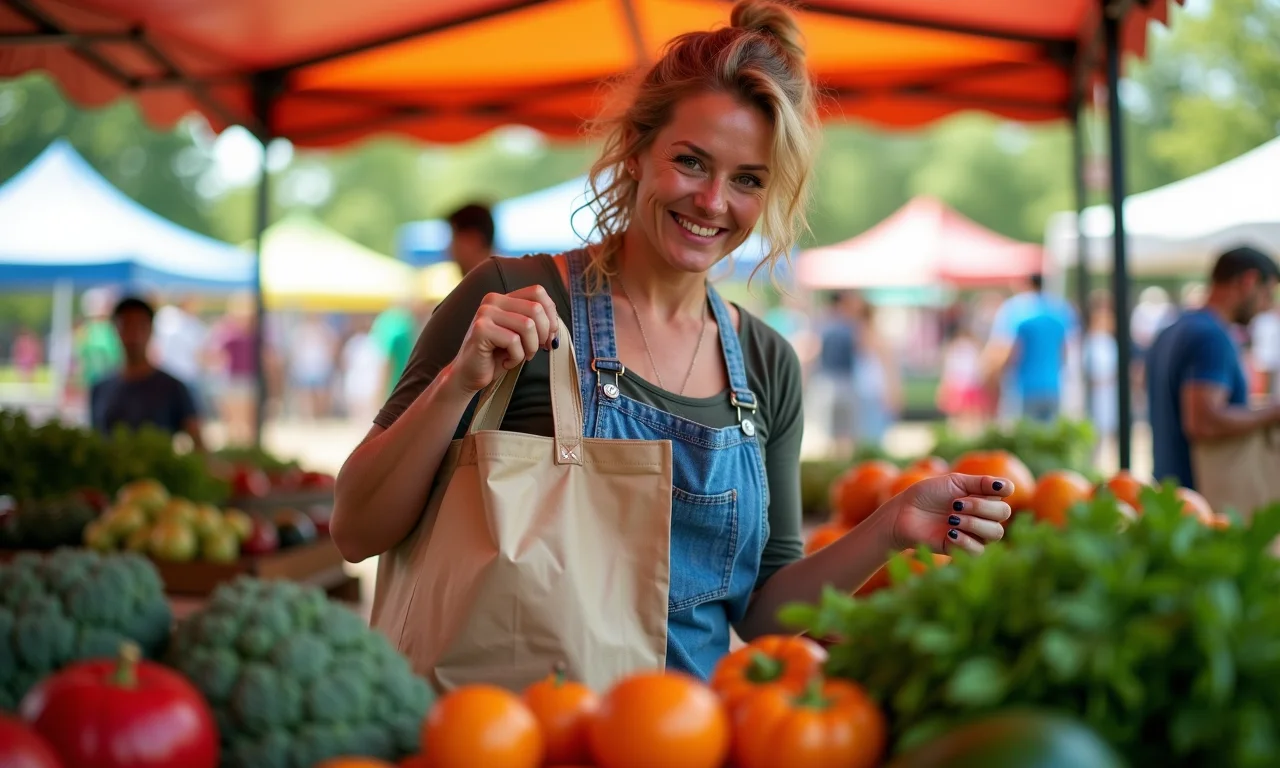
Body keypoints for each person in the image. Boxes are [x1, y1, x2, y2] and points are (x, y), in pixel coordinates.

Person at [331, 0, 1012, 681]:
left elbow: (763, 613)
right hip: (501, 738)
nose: (713, 202)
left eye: (747, 180)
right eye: (691, 163)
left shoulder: (767, 364)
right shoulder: (513, 297)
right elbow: (355, 529)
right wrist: (460, 384)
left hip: (678, 737)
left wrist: (889, 530)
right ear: (637, 151)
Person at [1146, 246, 1280, 490]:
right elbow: (1204, 421)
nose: (1266, 306)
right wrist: (1273, 412)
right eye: (1267, 294)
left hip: (1171, 491)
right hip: (1201, 499)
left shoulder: (1173, 329)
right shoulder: (1212, 336)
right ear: (1248, 281)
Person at [90, 296, 204, 450]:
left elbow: (198, 443)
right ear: (116, 330)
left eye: (140, 326)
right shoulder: (100, 389)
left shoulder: (173, 387)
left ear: (151, 330)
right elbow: (94, 441)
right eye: (127, 326)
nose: (134, 335)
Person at [982, 273, 1078, 424]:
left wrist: (994, 375)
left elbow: (1008, 350)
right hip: (1053, 385)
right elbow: (1065, 351)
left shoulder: (1015, 310)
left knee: (1024, 436)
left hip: (1023, 387)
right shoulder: (1060, 310)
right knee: (1049, 435)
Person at [447, 203, 498, 276]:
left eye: (454, 238)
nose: (450, 251)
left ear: (474, 239)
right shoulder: (508, 278)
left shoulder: (487, 285)